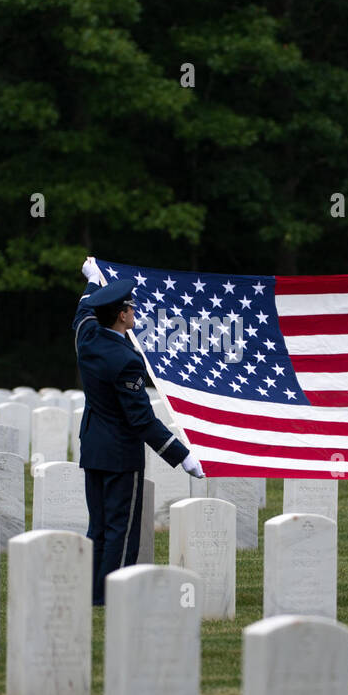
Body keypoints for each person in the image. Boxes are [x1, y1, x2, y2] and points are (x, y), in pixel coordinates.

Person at [75, 257, 204, 605]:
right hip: (119, 454)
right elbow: (141, 420)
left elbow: (84, 310)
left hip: (93, 449)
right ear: (121, 315)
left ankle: (92, 594)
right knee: (121, 530)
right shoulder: (126, 361)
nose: (134, 312)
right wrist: (183, 455)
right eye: (130, 307)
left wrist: (92, 281)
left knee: (98, 527)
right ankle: (109, 597)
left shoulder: (86, 339)